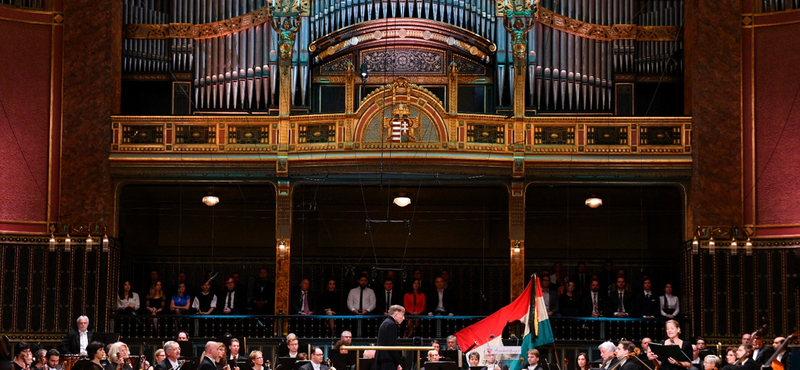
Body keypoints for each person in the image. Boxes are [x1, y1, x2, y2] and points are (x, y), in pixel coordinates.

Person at [376, 305, 405, 370]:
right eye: (402, 315)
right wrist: (397, 363)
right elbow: (392, 345)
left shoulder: (387, 322)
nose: (403, 318)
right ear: (395, 315)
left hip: (384, 358)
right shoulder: (390, 324)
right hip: (387, 361)